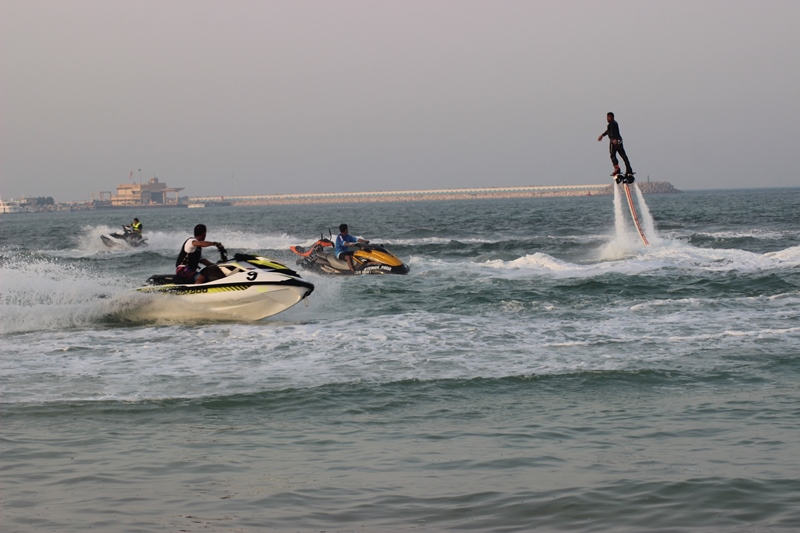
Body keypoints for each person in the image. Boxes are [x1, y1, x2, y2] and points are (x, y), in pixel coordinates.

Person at [598, 112, 634, 182]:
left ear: (612, 117)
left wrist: (613, 139)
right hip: (619, 140)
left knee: (612, 155)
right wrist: (602, 135)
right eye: (607, 117)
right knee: (623, 155)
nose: (607, 119)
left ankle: (617, 168)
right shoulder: (614, 124)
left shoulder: (612, 124)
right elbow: (608, 131)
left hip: (614, 141)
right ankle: (629, 168)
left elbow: (612, 133)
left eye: (608, 117)